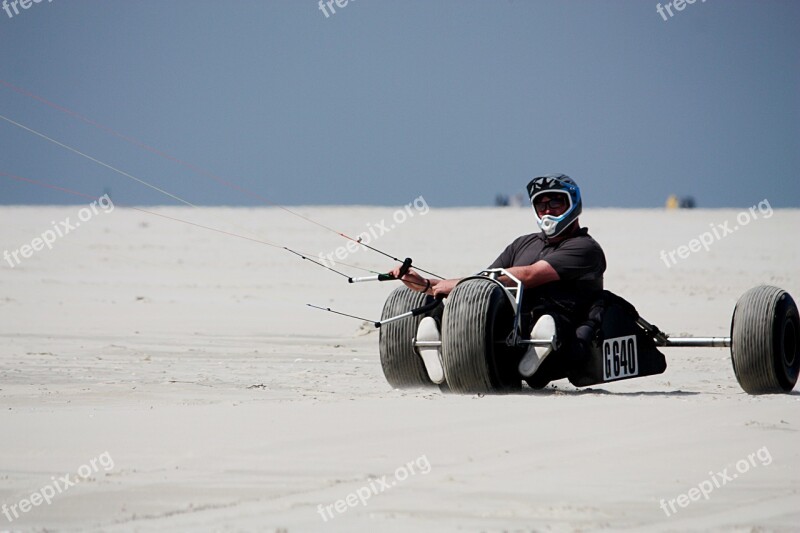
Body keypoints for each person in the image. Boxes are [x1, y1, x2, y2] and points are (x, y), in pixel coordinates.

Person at [390, 174, 606, 388]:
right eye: (541, 204)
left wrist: (453, 285)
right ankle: (436, 348)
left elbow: (529, 276)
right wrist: (427, 284)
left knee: (547, 319)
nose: (548, 210)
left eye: (556, 202)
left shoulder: (584, 248)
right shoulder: (523, 243)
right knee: (470, 303)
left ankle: (538, 349)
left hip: (564, 333)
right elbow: (482, 283)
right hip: (511, 328)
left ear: (573, 204)